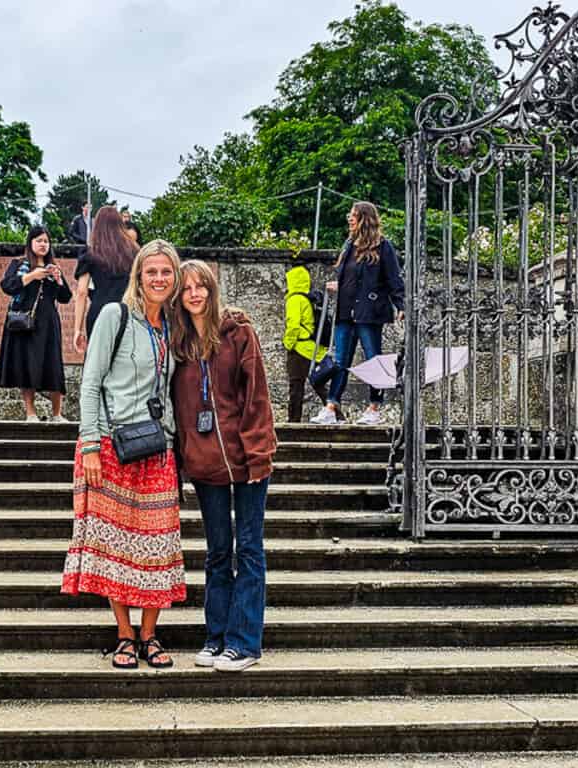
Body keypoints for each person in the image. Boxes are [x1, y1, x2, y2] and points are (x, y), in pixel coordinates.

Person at [62, 239, 185, 670]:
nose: (158, 279)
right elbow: (90, 384)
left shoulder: (173, 326)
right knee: (115, 546)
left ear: (174, 278)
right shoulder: (114, 316)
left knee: (156, 546)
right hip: (112, 446)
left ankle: (150, 634)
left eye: (165, 272)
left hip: (158, 449)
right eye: (150, 271)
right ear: (138, 275)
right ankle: (125, 636)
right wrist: (91, 445)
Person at [171, 259, 277, 672]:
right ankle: (217, 637)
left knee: (248, 548)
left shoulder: (238, 335)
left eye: (202, 286)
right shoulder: (178, 346)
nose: (194, 293)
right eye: (187, 288)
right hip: (204, 463)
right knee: (217, 552)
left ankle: (245, 642)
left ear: (213, 291)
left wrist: (257, 454)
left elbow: (257, 398)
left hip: (246, 460)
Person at [311, 201, 405, 426]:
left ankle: (374, 408)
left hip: (370, 312)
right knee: (340, 361)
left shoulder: (383, 247)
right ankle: (331, 406)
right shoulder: (348, 246)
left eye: (353, 215)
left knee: (374, 360)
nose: (349, 218)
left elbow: (394, 278)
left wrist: (401, 305)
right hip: (346, 312)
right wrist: (339, 284)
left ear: (364, 218)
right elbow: (350, 277)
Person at [0, 226, 72, 422]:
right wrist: (32, 276)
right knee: (26, 365)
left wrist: (58, 279)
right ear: (30, 243)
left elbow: (65, 297)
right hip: (25, 323)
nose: (43, 244)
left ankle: (56, 414)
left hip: (48, 323)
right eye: (39, 241)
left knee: (53, 365)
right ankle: (30, 412)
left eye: (46, 241)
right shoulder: (19, 264)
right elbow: (7, 286)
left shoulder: (53, 267)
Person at [72, 206, 137, 355]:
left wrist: (77, 330)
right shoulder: (134, 252)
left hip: (99, 312)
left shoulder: (90, 253)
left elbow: (81, 292)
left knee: (96, 363)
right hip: (127, 312)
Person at [283, 263, 326, 422]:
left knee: (296, 386)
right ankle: (335, 412)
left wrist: (288, 344)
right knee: (318, 383)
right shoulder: (307, 299)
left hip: (299, 348)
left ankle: (293, 420)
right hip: (311, 347)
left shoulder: (294, 299)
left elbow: (293, 325)